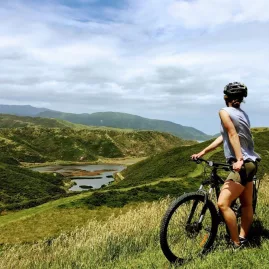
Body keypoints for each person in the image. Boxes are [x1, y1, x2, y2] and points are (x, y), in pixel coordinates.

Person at [191, 82, 261, 248]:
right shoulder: (243, 114)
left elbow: (232, 134)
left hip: (243, 164)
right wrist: (203, 152)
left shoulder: (223, 111)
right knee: (246, 204)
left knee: (223, 203)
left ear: (225, 97)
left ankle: (235, 244)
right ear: (241, 99)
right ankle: (243, 238)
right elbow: (224, 137)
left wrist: (238, 159)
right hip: (252, 163)